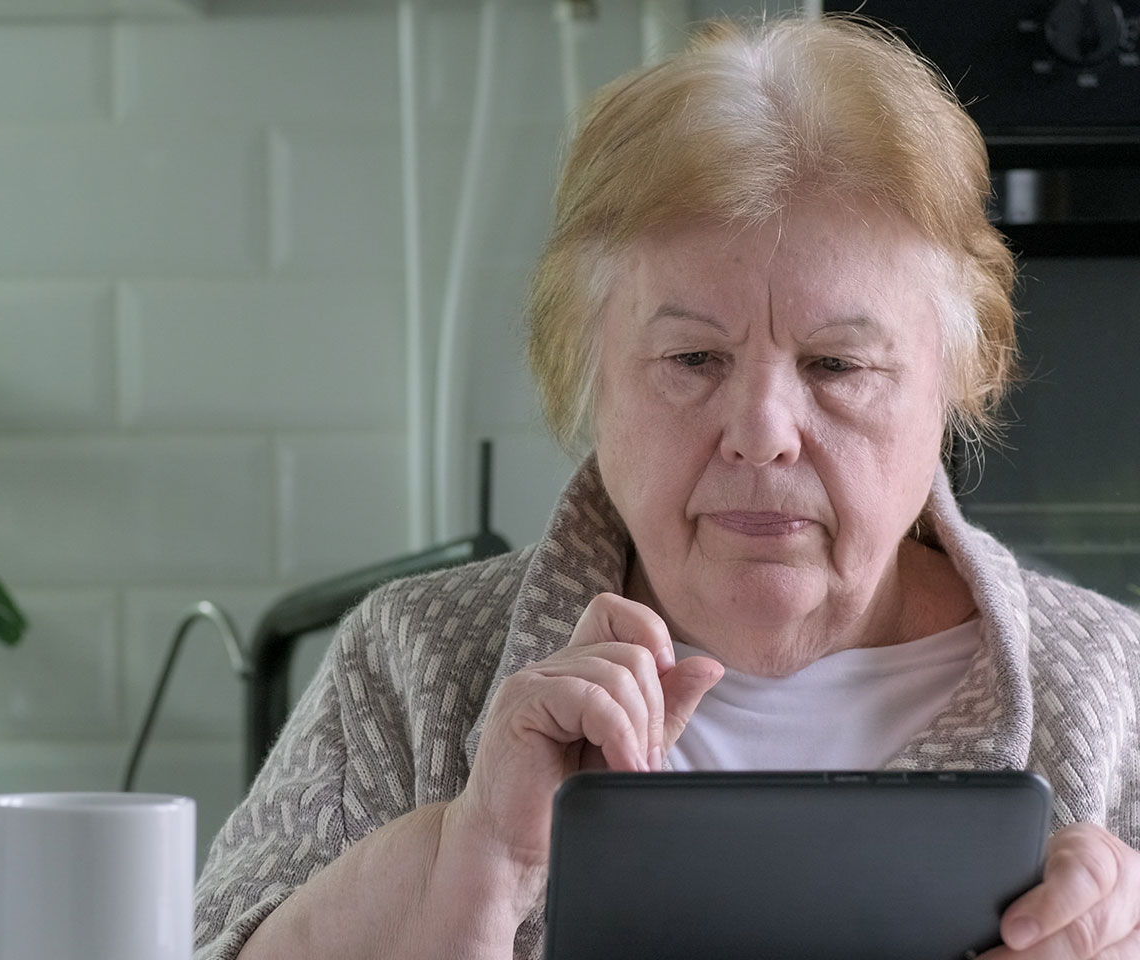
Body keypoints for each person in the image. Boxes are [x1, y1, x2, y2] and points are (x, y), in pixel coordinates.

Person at [195, 15, 1140, 960]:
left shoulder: (1112, 685)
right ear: (586, 374)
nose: (763, 435)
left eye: (837, 365)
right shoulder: (413, 664)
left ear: (957, 381)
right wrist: (470, 859)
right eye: (692, 357)